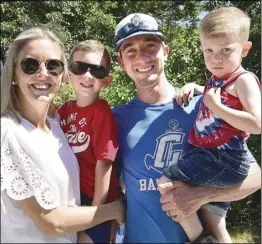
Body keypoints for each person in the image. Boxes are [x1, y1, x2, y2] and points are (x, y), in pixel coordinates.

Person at [112, 13, 261, 243]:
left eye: (150, 46)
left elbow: (255, 177)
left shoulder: (204, 107)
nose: (141, 57)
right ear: (121, 62)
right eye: (130, 50)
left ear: (166, 52)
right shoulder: (115, 119)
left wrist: (200, 196)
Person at [0, 27, 125, 243]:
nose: (43, 73)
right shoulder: (8, 133)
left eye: (53, 65)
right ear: (13, 73)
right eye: (30, 65)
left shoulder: (57, 124)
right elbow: (51, 223)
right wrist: (113, 210)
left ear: (61, 74)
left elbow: (102, 161)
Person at [157, 6, 261, 243]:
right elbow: (218, 96)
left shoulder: (244, 80)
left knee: (165, 182)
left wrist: (218, 108)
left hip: (221, 159)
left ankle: (200, 239)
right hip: (214, 156)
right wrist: (198, 88)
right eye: (208, 50)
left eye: (226, 49)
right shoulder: (220, 78)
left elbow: (257, 123)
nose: (216, 58)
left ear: (244, 49)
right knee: (214, 217)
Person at [58, 40, 120, 243]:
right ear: (68, 74)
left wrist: (96, 209)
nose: (87, 75)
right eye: (79, 67)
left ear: (107, 81)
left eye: (97, 71)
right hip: (71, 197)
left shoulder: (101, 112)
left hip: (96, 200)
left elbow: (105, 161)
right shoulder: (63, 111)